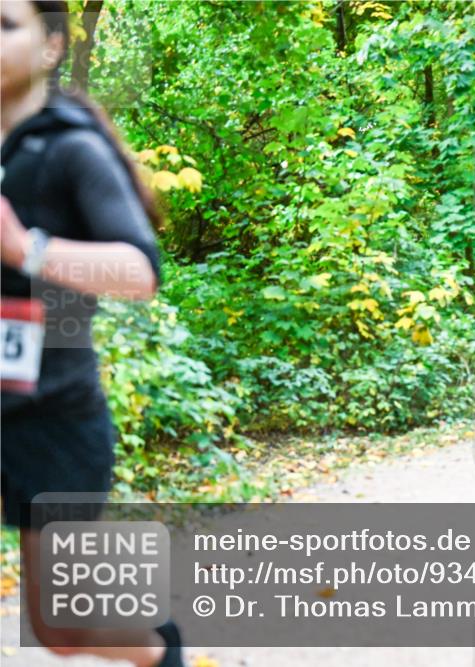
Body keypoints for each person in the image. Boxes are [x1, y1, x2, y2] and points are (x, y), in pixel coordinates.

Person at [1, 2, 182, 665]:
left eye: (5, 25)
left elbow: (140, 270)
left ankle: (162, 649)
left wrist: (27, 249)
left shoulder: (69, 148)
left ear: (51, 47)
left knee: (61, 627)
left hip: (51, 416)